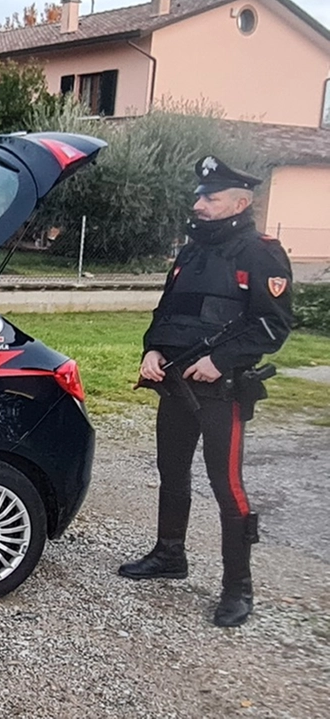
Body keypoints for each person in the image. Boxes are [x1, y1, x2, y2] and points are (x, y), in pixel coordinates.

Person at [119, 155, 294, 628]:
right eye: (198, 195)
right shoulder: (193, 250)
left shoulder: (261, 252)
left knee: (227, 486)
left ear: (241, 201)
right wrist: (151, 350)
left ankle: (238, 588)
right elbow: (166, 312)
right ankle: (169, 556)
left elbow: (273, 325)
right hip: (174, 385)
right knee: (172, 473)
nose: (198, 203)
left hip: (223, 393)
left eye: (209, 197)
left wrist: (219, 361)